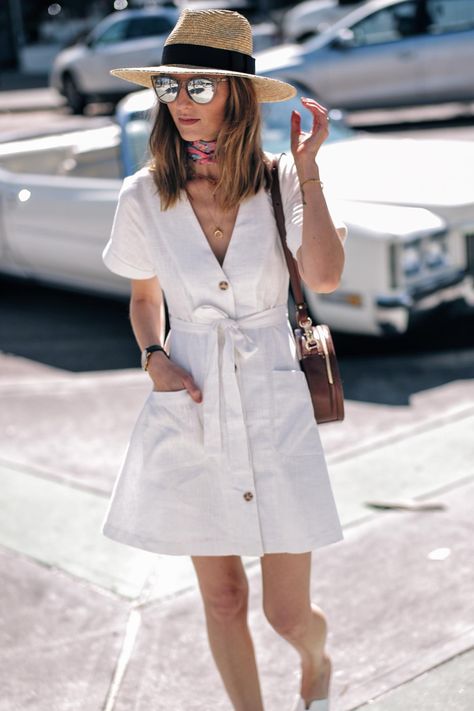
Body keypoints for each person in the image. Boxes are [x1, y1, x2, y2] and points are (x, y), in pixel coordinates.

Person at [100, 9, 348, 711]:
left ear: (237, 95)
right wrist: (154, 357)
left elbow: (325, 277)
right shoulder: (142, 194)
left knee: (288, 615)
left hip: (275, 403)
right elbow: (145, 298)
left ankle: (318, 661)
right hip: (194, 401)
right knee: (223, 597)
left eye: (199, 87)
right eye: (171, 87)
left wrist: (308, 170)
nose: (181, 101)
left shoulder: (280, 181)